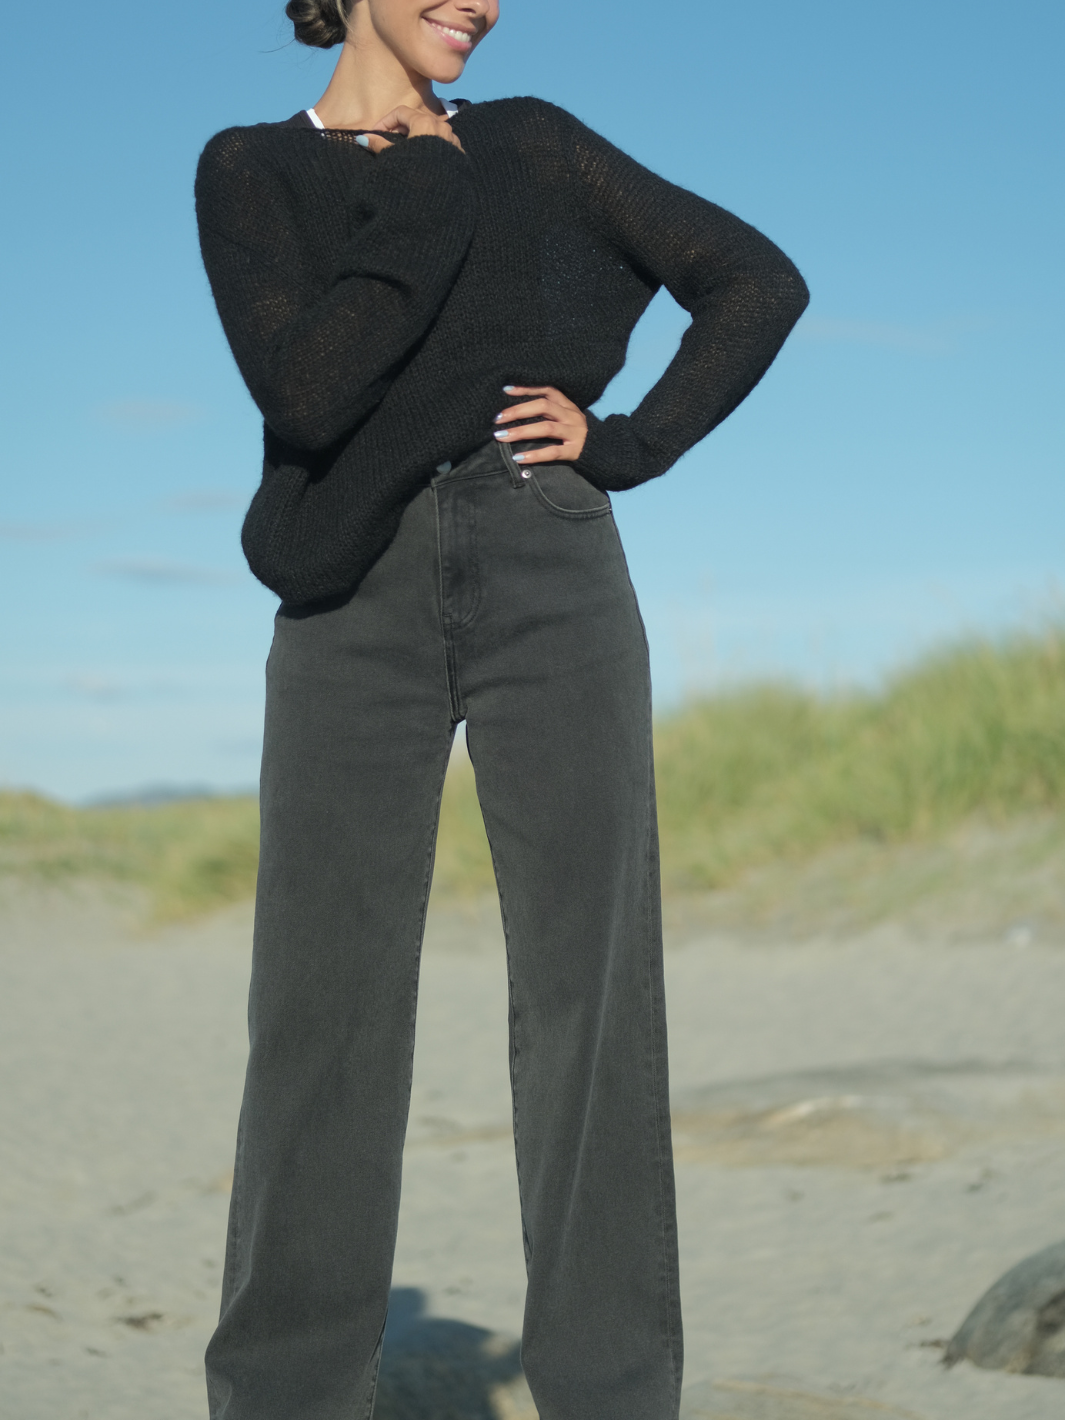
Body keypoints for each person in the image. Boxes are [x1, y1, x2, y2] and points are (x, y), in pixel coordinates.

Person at [194, 2, 808, 1416]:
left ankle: (612, 1395)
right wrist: (422, 178)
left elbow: (757, 280)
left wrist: (632, 442)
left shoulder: (535, 144)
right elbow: (309, 390)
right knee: (320, 1009)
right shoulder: (250, 169)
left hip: (550, 561)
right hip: (348, 598)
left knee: (593, 997)